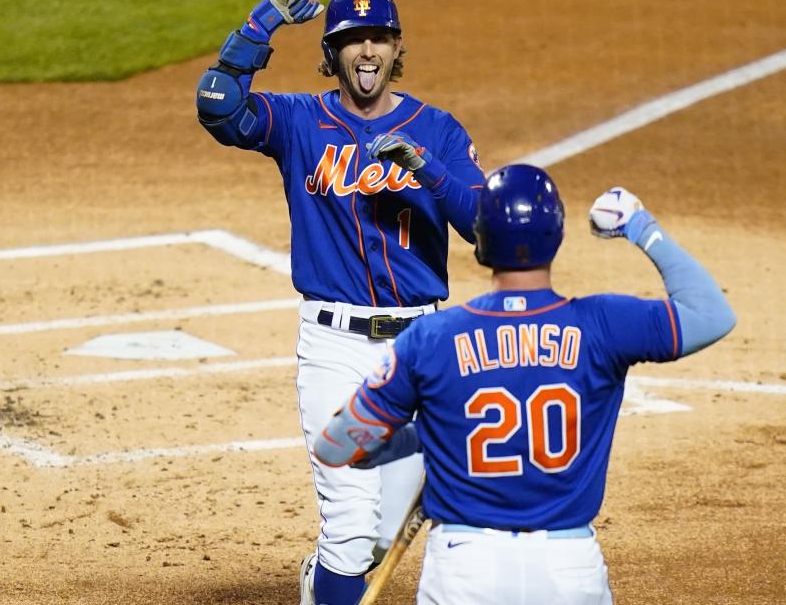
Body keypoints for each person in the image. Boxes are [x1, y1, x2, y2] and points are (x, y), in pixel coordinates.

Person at [314, 164, 737, 604]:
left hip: (465, 568)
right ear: (556, 237)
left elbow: (337, 447)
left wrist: (421, 439)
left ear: (480, 240)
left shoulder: (432, 338)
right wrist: (639, 225)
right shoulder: (605, 325)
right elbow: (712, 315)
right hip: (568, 569)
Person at [194, 0, 485, 605]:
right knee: (351, 531)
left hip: (421, 347)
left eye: (377, 36)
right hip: (335, 347)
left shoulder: (436, 129)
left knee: (384, 539)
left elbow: (483, 229)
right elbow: (218, 107)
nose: (367, 51)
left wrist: (427, 169)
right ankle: (332, 572)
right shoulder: (300, 121)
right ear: (333, 51)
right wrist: (259, 24)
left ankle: (322, 577)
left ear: (397, 44)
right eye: (352, 40)